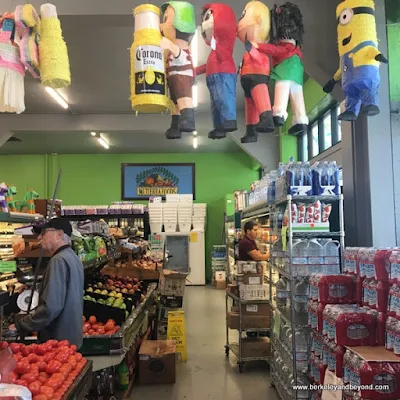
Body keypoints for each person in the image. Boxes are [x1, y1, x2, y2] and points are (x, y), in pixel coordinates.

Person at [12, 218, 84, 347]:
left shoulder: (58, 260)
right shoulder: (72, 256)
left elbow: (51, 308)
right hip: (71, 337)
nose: (39, 237)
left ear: (59, 234)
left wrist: (21, 325)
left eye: (44, 233)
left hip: (57, 341)